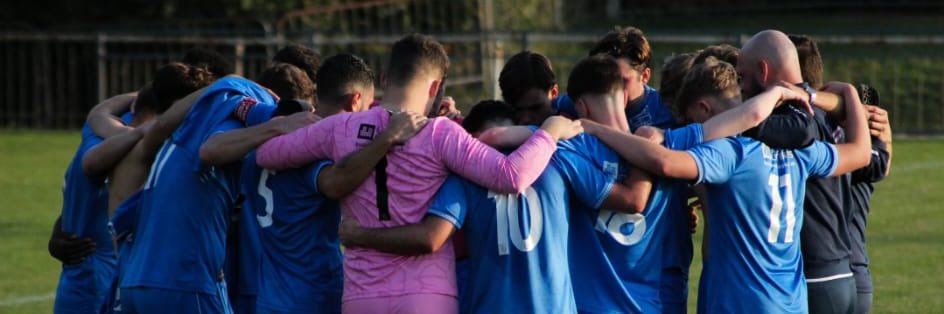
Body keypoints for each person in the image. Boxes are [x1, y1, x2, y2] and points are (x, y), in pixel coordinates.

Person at [255, 33, 581, 313]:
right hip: (426, 295)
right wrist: (549, 132)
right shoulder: (440, 134)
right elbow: (512, 176)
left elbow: (267, 155)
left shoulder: (340, 127)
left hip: (362, 295)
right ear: (435, 86)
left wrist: (300, 135)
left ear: (384, 79)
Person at [338, 56, 654, 313]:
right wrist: (648, 141)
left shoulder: (465, 174)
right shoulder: (559, 156)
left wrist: (360, 235)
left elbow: (429, 237)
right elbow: (632, 198)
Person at [582, 53, 872, 313]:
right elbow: (860, 153)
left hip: (741, 302)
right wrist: (849, 94)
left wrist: (593, 128)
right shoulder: (799, 152)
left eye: (691, 119)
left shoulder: (730, 152)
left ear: (704, 109)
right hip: (791, 302)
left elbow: (665, 162)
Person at [246, 53, 425, 314]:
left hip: (266, 295)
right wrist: (388, 138)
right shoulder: (313, 151)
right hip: (311, 294)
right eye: (366, 108)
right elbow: (337, 183)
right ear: (355, 102)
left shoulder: (270, 140)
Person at [789, 34, 894, 314]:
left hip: (821, 275)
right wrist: (885, 137)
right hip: (854, 275)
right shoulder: (857, 137)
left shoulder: (797, 130)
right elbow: (879, 164)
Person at [498, 50, 561, 125]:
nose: (526, 119)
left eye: (536, 108)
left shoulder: (573, 127)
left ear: (554, 92)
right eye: (517, 110)